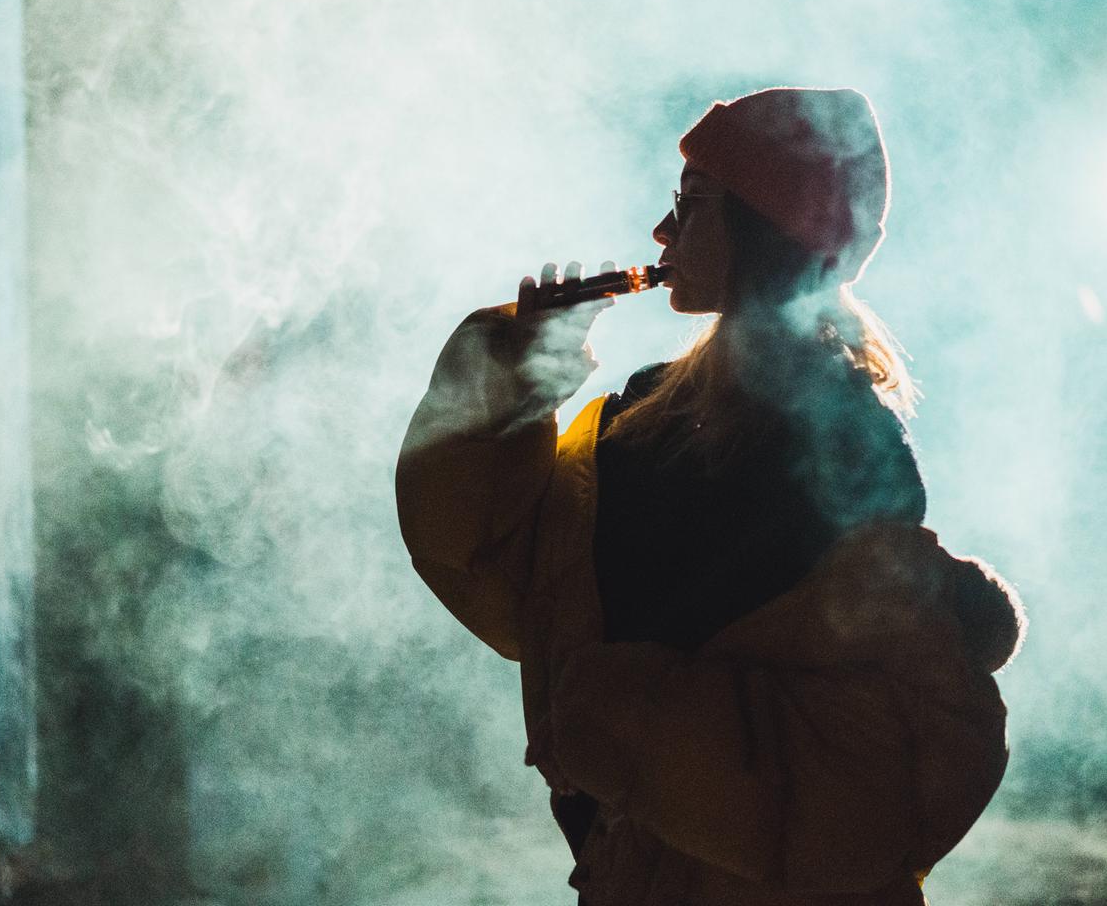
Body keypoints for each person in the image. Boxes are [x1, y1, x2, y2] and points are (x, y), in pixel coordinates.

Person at [397, 87, 1022, 905]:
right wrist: (511, 382)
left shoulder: (840, 444)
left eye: (690, 207)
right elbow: (517, 591)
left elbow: (842, 766)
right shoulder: (651, 411)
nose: (661, 234)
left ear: (765, 233)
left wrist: (618, 717)